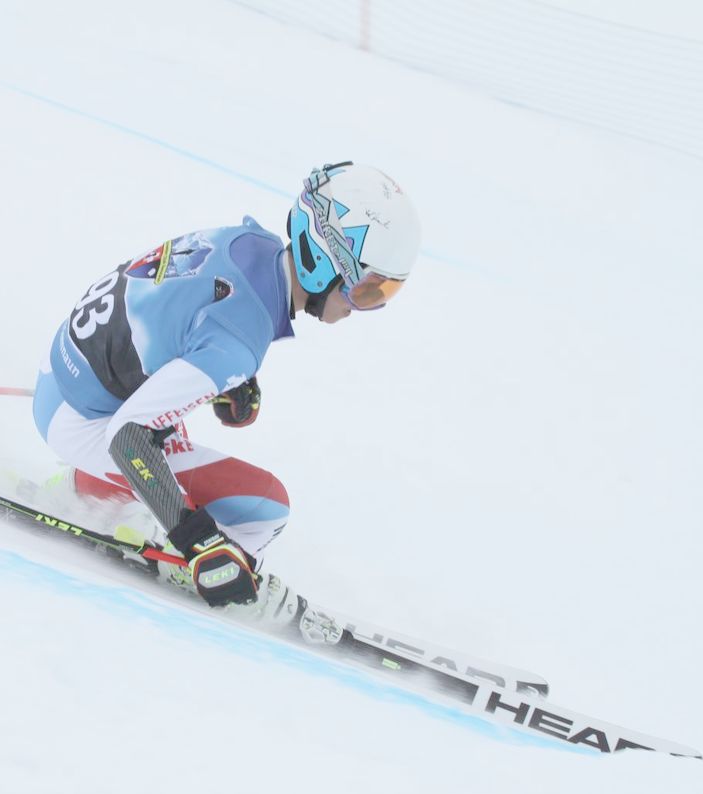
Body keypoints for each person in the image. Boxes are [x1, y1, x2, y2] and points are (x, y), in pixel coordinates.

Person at [32, 161, 421, 619]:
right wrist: (197, 541)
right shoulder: (237, 342)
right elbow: (128, 436)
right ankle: (193, 562)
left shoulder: (250, 245)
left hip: (65, 377)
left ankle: (95, 490)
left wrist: (229, 383)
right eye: (369, 291)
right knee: (266, 507)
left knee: (170, 443)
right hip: (85, 422)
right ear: (321, 263)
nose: (364, 307)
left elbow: (181, 307)